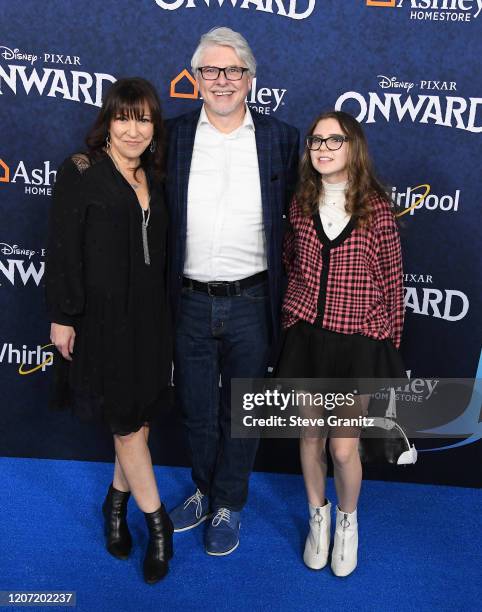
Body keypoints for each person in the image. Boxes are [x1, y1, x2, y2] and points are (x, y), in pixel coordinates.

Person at [165, 27, 299, 556]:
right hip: (189, 300)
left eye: (233, 70)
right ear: (195, 79)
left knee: (243, 411)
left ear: (251, 78)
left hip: (252, 301)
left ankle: (229, 503)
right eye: (210, 71)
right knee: (197, 409)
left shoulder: (282, 139)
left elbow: (315, 206)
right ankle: (202, 488)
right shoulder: (171, 137)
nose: (222, 81)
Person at [45, 78, 173, 584]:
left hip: (151, 321)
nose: (134, 129)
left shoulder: (156, 178)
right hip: (102, 322)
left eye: (144, 118)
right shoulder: (82, 172)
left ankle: (114, 507)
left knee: (139, 424)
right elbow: (61, 246)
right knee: (124, 424)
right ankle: (158, 525)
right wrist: (62, 314)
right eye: (124, 117)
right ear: (108, 121)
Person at [276, 110, 405, 576]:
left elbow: (392, 282)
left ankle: (347, 521)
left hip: (356, 345)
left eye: (335, 140)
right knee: (310, 436)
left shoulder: (376, 208)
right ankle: (319, 517)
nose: (324, 148)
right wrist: (295, 312)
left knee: (343, 448)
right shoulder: (299, 205)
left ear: (354, 147)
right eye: (316, 141)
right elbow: (291, 262)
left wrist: (388, 343)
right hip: (308, 339)